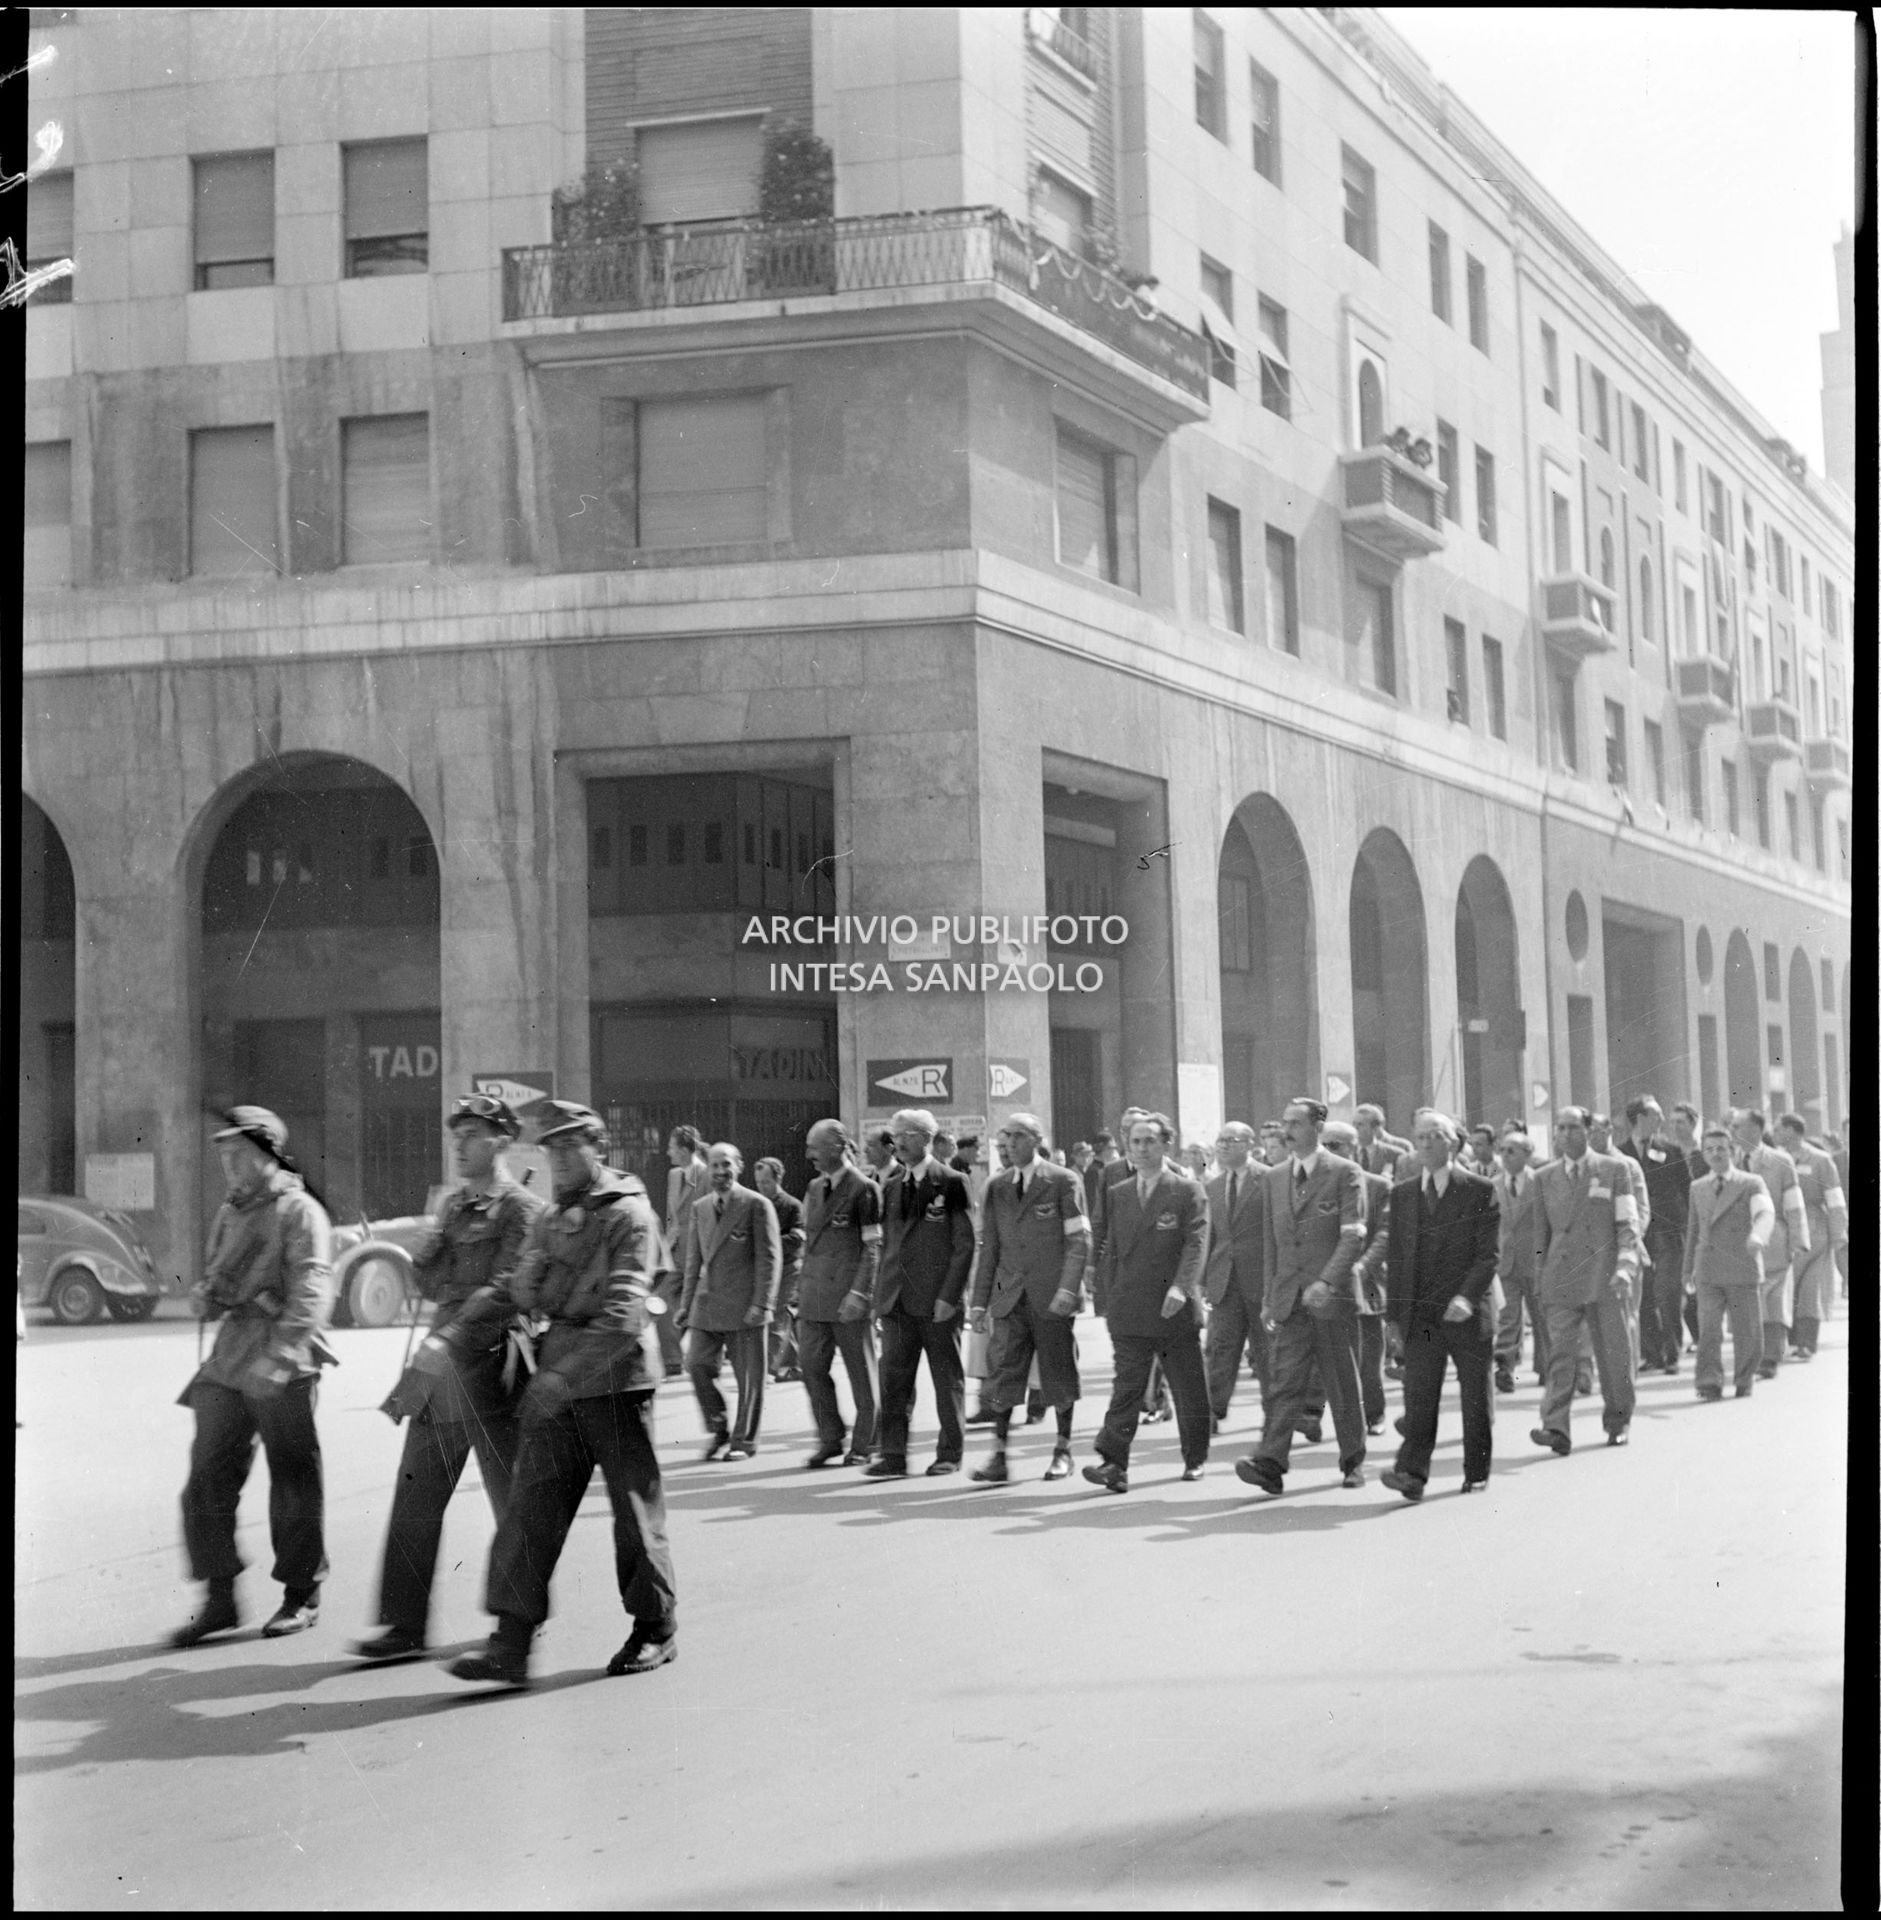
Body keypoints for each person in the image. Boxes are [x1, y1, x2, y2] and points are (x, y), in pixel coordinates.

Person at [451, 1103, 676, 1688]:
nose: (558, 1158)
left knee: (633, 1511)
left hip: (615, 1380)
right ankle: (511, 1639)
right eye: (550, 1148)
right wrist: (469, 1321)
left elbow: (624, 1313)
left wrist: (558, 1377)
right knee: (530, 1508)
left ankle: (654, 1627)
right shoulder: (553, 1216)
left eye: (570, 1146)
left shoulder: (629, 1215)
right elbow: (518, 1287)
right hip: (561, 1380)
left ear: (598, 1147)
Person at [354, 1094, 546, 1662]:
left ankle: (518, 1625)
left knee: (512, 1502)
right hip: (442, 1372)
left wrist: (451, 1334)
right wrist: (427, 1252)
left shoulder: (522, 1209)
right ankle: (404, 1625)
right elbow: (431, 1285)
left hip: (493, 1365)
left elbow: (508, 1289)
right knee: (416, 1493)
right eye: (456, 1135)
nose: (459, 1146)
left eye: (472, 1135)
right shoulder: (455, 1206)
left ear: (501, 1141)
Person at [174, 1107, 335, 1646]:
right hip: (230, 1357)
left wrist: (281, 1355)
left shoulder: (300, 1211)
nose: (230, 1164)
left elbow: (312, 1291)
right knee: (205, 1478)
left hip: (282, 1356)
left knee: (293, 1482)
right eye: (224, 1155)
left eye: (240, 1153)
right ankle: (219, 1597)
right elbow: (219, 1276)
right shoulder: (230, 1212)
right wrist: (207, 1296)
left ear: (270, 1154)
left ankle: (301, 1595)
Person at [1235, 1097, 1369, 1497]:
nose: (1287, 1130)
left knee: (1341, 1384)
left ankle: (1353, 1461)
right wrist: (1269, 1297)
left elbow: (1353, 1237)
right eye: (1285, 1122)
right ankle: (1270, 1463)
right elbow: (1272, 1243)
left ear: (1318, 1128)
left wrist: (1327, 1282)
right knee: (1284, 1382)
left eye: (1295, 1123)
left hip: (1332, 1299)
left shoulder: (1344, 1172)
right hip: (1290, 1298)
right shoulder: (1275, 1178)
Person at [1084, 1113, 1210, 1492]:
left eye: (1150, 1141)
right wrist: (1106, 1290)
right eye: (1135, 1142)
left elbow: (1196, 1244)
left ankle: (1195, 1457)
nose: (1141, 1149)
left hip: (1173, 1307)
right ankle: (1113, 1463)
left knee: (1187, 1387)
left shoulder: (1186, 1190)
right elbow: (1107, 1246)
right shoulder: (1118, 1193)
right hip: (1130, 1306)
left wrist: (1182, 1287)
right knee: (1127, 1387)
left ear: (1166, 1144)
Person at [1379, 1111, 1500, 1501]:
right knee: (1419, 1396)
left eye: (1435, 1135)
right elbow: (1397, 1258)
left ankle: (1476, 1471)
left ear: (1454, 1143)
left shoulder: (1479, 1189)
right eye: (1420, 1137)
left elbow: (1487, 1256)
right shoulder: (1403, 1194)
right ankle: (1411, 1473)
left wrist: (1466, 1297)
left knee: (1474, 1397)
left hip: (1467, 1312)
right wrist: (1393, 1318)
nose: (1427, 1143)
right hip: (1422, 1315)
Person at [966, 1113, 1088, 1484]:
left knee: (1058, 1373)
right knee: (1003, 1375)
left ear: (1036, 1139)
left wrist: (1068, 1289)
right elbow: (989, 1248)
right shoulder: (997, 1186)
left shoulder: (1063, 1181)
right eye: (1007, 1137)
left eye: (1019, 1136)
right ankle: (999, 1456)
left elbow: (1078, 1241)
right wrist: (979, 1302)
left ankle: (1063, 1450)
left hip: (1051, 1297)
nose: (1011, 1143)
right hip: (1009, 1298)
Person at [866, 1108, 975, 1478]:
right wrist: (880, 1299)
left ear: (927, 1138)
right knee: (893, 1381)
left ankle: (949, 1453)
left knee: (946, 1380)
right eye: (895, 1135)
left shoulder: (952, 1182)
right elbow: (887, 1246)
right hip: (897, 1302)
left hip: (937, 1302)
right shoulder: (892, 1186)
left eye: (907, 1134)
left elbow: (964, 1245)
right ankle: (892, 1455)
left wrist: (949, 1296)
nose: (898, 1142)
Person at [1529, 1106, 1641, 1456]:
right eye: (1560, 1128)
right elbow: (1539, 1236)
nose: (1565, 1135)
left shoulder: (1614, 1169)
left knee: (1613, 1355)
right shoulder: (1544, 1177)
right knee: (1560, 1355)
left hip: (1604, 1276)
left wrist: (1625, 1266)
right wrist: (1539, 1279)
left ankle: (1618, 1421)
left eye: (1572, 1128)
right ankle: (1555, 1427)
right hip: (1561, 1277)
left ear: (1589, 1130)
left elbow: (1628, 1223)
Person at [679, 1142, 782, 1461]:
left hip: (745, 1306)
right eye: (714, 1165)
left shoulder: (756, 1204)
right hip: (707, 1304)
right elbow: (693, 1261)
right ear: (707, 1170)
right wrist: (685, 1304)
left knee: (749, 1378)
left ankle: (743, 1441)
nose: (720, 1171)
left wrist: (762, 1304)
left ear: (738, 1166)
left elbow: (769, 1258)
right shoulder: (701, 1207)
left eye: (726, 1164)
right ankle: (718, 1426)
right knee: (696, 1364)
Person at [797, 1119, 882, 1469]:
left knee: (861, 1373)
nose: (809, 1155)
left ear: (837, 1146)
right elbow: (809, 1243)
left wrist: (860, 1293)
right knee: (810, 1366)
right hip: (815, 1295)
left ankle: (865, 1442)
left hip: (848, 1296)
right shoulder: (815, 1187)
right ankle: (830, 1438)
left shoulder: (864, 1189)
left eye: (815, 1147)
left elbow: (872, 1247)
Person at [1683, 1125, 1776, 1400]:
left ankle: (1744, 1379)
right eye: (1709, 1149)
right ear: (1703, 1154)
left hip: (1742, 1265)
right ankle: (1708, 1382)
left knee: (1747, 1330)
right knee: (1709, 1330)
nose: (1716, 1154)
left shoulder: (1751, 1183)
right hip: (1708, 1269)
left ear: (1733, 1151)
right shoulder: (1697, 1187)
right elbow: (1692, 1231)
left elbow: (1765, 1213)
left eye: (1721, 1149)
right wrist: (1687, 1270)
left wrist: (1758, 1236)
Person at [1321, 1119, 1391, 1435]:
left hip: (1365, 1283)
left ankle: (1374, 1414)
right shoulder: (1316, 1185)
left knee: (1368, 1359)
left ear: (1353, 1148)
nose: (1328, 1151)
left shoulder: (1377, 1186)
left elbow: (1385, 1234)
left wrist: (1362, 1266)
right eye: (1324, 1145)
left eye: (1334, 1145)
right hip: (1325, 1284)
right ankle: (1318, 1415)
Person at [1730, 1107, 1809, 1381]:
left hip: (1774, 1241)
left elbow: (1794, 1205)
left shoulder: (1780, 1161)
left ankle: (1771, 1358)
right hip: (1738, 1243)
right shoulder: (1729, 1160)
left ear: (1755, 1129)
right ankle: (1753, 1355)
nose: (1731, 1131)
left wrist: (1798, 1241)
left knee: (1774, 1300)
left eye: (1737, 1126)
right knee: (1747, 1301)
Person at [1619, 1097, 1693, 1377]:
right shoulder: (1620, 1154)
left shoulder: (1670, 1151)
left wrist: (1689, 1229)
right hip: (1638, 1234)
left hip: (1669, 1233)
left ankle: (1672, 1353)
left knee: (1668, 1293)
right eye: (1656, 1114)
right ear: (1639, 1118)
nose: (1662, 1120)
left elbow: (1688, 1192)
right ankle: (1652, 1354)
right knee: (1645, 1294)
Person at [1202, 1122, 1268, 1433]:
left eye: (1231, 1140)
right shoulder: (1213, 1186)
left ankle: (1274, 1416)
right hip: (1224, 1282)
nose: (1223, 1146)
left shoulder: (1269, 1179)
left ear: (1250, 1145)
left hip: (1262, 1282)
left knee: (1266, 1352)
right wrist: (1203, 1280)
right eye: (1220, 1140)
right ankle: (1212, 1411)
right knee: (1219, 1349)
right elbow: (1209, 1237)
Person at [1773, 1114, 1847, 1358]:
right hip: (1783, 1229)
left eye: (1779, 1129)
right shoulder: (1775, 1159)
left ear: (1792, 1131)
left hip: (1815, 1229)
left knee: (1810, 1288)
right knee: (1786, 1286)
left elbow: (1834, 1199)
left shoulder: (1820, 1160)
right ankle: (1788, 1339)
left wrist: (1839, 1234)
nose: (1774, 1133)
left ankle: (1805, 1342)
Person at [1490, 1127, 1545, 1393]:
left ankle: (1546, 1366)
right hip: (1506, 1261)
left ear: (1527, 1153)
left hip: (1535, 1260)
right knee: (1508, 1316)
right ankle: (1505, 1366)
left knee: (1541, 1315)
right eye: (1502, 1150)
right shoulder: (1493, 1185)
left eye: (1511, 1151)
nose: (1505, 1156)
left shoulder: (1541, 1181)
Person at [660, 1127, 710, 1377]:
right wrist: (665, 1246)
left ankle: (705, 1357)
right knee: (661, 1300)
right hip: (675, 1251)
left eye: (671, 1147)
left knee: (699, 1307)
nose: (668, 1152)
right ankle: (672, 1360)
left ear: (683, 1150)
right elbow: (671, 1215)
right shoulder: (673, 1175)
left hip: (699, 1254)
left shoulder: (707, 1175)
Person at [754, 1158, 805, 1381]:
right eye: (758, 1182)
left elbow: (798, 1238)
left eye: (766, 1182)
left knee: (777, 1315)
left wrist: (767, 1242)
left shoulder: (793, 1205)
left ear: (778, 1179)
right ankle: (794, 1364)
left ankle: (769, 1369)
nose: (761, 1187)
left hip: (788, 1267)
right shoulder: (756, 1204)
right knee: (781, 1316)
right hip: (766, 1269)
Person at [1354, 1104, 1408, 1179]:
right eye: (1354, 1124)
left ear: (1375, 1128)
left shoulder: (1395, 1154)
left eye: (1360, 1124)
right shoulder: (1346, 1152)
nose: (1355, 1128)